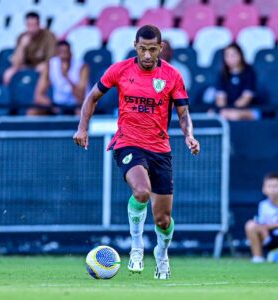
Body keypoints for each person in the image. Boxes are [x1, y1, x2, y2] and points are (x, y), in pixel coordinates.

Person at [73, 25, 200, 280]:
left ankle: (162, 256)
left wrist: (189, 135)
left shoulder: (172, 76)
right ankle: (136, 248)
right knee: (141, 191)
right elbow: (92, 97)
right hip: (128, 142)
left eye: (153, 49)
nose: (147, 55)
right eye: (143, 48)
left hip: (160, 149)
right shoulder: (119, 70)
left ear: (160, 48)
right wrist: (82, 128)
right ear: (135, 46)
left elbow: (183, 114)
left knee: (163, 220)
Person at [244, 173, 278, 264]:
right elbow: (261, 225)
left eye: (276, 186)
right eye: (269, 186)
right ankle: (258, 257)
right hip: (268, 237)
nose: (272, 190)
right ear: (264, 189)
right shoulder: (263, 205)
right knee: (250, 225)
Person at [32, 41, 89, 115]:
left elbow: (81, 97)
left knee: (81, 112)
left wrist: (67, 77)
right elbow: (38, 96)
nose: (64, 56)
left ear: (71, 53)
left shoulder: (82, 67)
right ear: (57, 54)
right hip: (57, 105)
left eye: (66, 52)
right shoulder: (51, 65)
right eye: (61, 52)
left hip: (76, 104)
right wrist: (52, 106)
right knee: (33, 111)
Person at [3, 11, 57, 85]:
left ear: (39, 24)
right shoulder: (22, 37)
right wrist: (22, 46)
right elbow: (16, 63)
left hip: (43, 66)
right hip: (27, 66)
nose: (31, 29)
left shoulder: (49, 36)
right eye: (29, 25)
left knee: (44, 68)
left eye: (34, 25)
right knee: (8, 74)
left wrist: (44, 65)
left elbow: (52, 59)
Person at [213, 43, 259, 121]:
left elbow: (246, 98)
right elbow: (220, 97)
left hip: (248, 108)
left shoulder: (249, 72)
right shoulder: (222, 74)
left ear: (240, 55)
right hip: (227, 110)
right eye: (227, 55)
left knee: (235, 115)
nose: (230, 58)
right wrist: (224, 110)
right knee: (212, 114)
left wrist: (232, 110)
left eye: (233, 55)